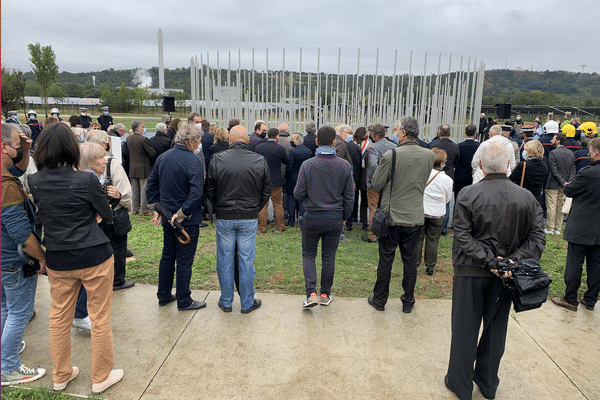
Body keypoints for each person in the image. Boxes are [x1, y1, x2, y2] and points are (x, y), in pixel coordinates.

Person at [28, 122, 124, 394]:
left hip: (59, 257)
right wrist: (92, 215)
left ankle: (61, 375)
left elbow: (46, 213)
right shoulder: (85, 179)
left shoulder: (34, 181)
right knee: (100, 317)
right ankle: (101, 377)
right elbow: (106, 213)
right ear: (72, 148)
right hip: (94, 255)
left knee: (58, 318)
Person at [445, 142, 545, 400]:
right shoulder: (527, 197)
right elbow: (537, 240)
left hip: (472, 271)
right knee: (495, 328)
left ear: (480, 165)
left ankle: (461, 383)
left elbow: (463, 237)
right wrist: (509, 262)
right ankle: (487, 383)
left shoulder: (468, 194)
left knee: (465, 328)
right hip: (505, 275)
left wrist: (493, 261)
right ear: (510, 166)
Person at [367, 117, 435, 313]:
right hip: (414, 216)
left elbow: (377, 184)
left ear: (404, 133)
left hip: (392, 216)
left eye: (397, 130)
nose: (395, 133)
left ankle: (380, 300)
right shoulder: (429, 155)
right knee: (410, 261)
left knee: (386, 260)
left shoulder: (391, 155)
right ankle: (408, 301)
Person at [1, 123, 47, 387]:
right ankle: (7, 367)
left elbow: (17, 168)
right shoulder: (6, 187)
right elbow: (20, 232)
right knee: (20, 312)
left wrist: (26, 147)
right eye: (17, 146)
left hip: (1, 258)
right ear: (4, 147)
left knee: (5, 308)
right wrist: (41, 258)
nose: (20, 151)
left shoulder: (5, 175)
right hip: (13, 260)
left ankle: (6, 350)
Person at [205, 125, 270, 314]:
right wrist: (254, 208)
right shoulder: (259, 160)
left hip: (227, 215)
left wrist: (220, 207)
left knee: (224, 259)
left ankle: (226, 300)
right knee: (246, 260)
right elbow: (266, 189)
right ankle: (247, 301)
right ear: (247, 140)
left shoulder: (217, 159)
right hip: (247, 215)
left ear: (230, 141)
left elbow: (209, 188)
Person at [146, 122, 206, 311]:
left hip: (168, 217)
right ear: (191, 141)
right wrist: (181, 214)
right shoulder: (193, 161)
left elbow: (151, 187)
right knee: (184, 260)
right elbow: (196, 193)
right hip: (185, 221)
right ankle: (184, 299)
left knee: (167, 257)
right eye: (198, 141)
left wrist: (159, 207)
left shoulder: (164, 158)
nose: (198, 145)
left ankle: (164, 295)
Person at [294, 126, 354, 307]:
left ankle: (311, 292)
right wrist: (344, 216)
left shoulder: (308, 165)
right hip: (334, 218)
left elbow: (298, 193)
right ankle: (324, 294)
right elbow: (349, 196)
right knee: (328, 257)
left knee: (309, 255)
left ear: (317, 142)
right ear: (334, 143)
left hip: (311, 216)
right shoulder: (344, 165)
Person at [551, 138, 600, 311]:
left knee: (575, 264)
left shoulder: (588, 172)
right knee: (596, 264)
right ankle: (591, 299)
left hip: (581, 225)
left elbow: (570, 190)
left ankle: (570, 298)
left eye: (590, 150)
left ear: (595, 152)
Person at [85, 131, 134, 291]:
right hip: (111, 217)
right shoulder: (112, 163)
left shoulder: (78, 165)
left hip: (91, 219)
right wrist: (121, 198)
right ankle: (116, 281)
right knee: (117, 249)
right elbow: (126, 192)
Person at [417, 148, 453, 276]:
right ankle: (430, 265)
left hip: (422, 210)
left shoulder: (422, 174)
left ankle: (415, 262)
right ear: (442, 163)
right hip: (437, 212)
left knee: (418, 238)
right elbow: (448, 198)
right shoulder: (447, 180)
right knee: (433, 240)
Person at [362, 123, 396, 243]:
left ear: (376, 135)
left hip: (376, 183)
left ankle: (372, 235)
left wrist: (371, 182)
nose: (370, 137)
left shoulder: (374, 148)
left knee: (373, 209)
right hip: (391, 182)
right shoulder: (394, 146)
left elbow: (372, 166)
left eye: (370, 135)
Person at [255, 128, 289, 233]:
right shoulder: (280, 148)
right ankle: (281, 227)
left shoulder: (259, 148)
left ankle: (263, 228)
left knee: (263, 205)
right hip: (276, 181)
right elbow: (287, 161)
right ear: (277, 136)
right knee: (278, 204)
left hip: (263, 180)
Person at [429, 124, 460, 235]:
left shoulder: (432, 145)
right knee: (446, 201)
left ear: (438, 133)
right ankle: (444, 227)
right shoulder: (455, 147)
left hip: (432, 175)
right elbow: (457, 161)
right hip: (449, 174)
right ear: (450, 133)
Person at [545, 133, 574, 235]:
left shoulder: (553, 153)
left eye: (553, 139)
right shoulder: (570, 153)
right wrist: (568, 182)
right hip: (565, 184)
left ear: (558, 141)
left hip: (553, 184)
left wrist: (562, 181)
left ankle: (550, 228)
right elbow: (572, 169)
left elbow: (554, 170)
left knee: (551, 207)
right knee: (560, 207)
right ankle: (558, 228)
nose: (551, 140)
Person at [127, 121, 156, 216]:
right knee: (144, 190)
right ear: (138, 129)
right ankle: (143, 210)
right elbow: (152, 153)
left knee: (134, 190)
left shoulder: (128, 138)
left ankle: (134, 209)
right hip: (144, 168)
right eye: (142, 127)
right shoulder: (144, 139)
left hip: (133, 167)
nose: (144, 128)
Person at [509, 140, 548, 207]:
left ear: (531, 152)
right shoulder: (545, 166)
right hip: (537, 199)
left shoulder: (523, 165)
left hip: (523, 198)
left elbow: (511, 179)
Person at [286, 133, 312, 227]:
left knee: (292, 200)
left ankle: (291, 221)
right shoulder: (308, 152)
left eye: (293, 139)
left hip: (293, 178)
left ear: (298, 140)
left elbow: (290, 167)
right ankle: (302, 220)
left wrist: (287, 176)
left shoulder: (293, 152)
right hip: (304, 178)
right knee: (302, 200)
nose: (291, 140)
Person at [454, 124, 479, 197]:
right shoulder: (479, 146)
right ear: (475, 134)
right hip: (473, 175)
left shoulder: (458, 146)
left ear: (465, 133)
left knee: (458, 197)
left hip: (459, 175)